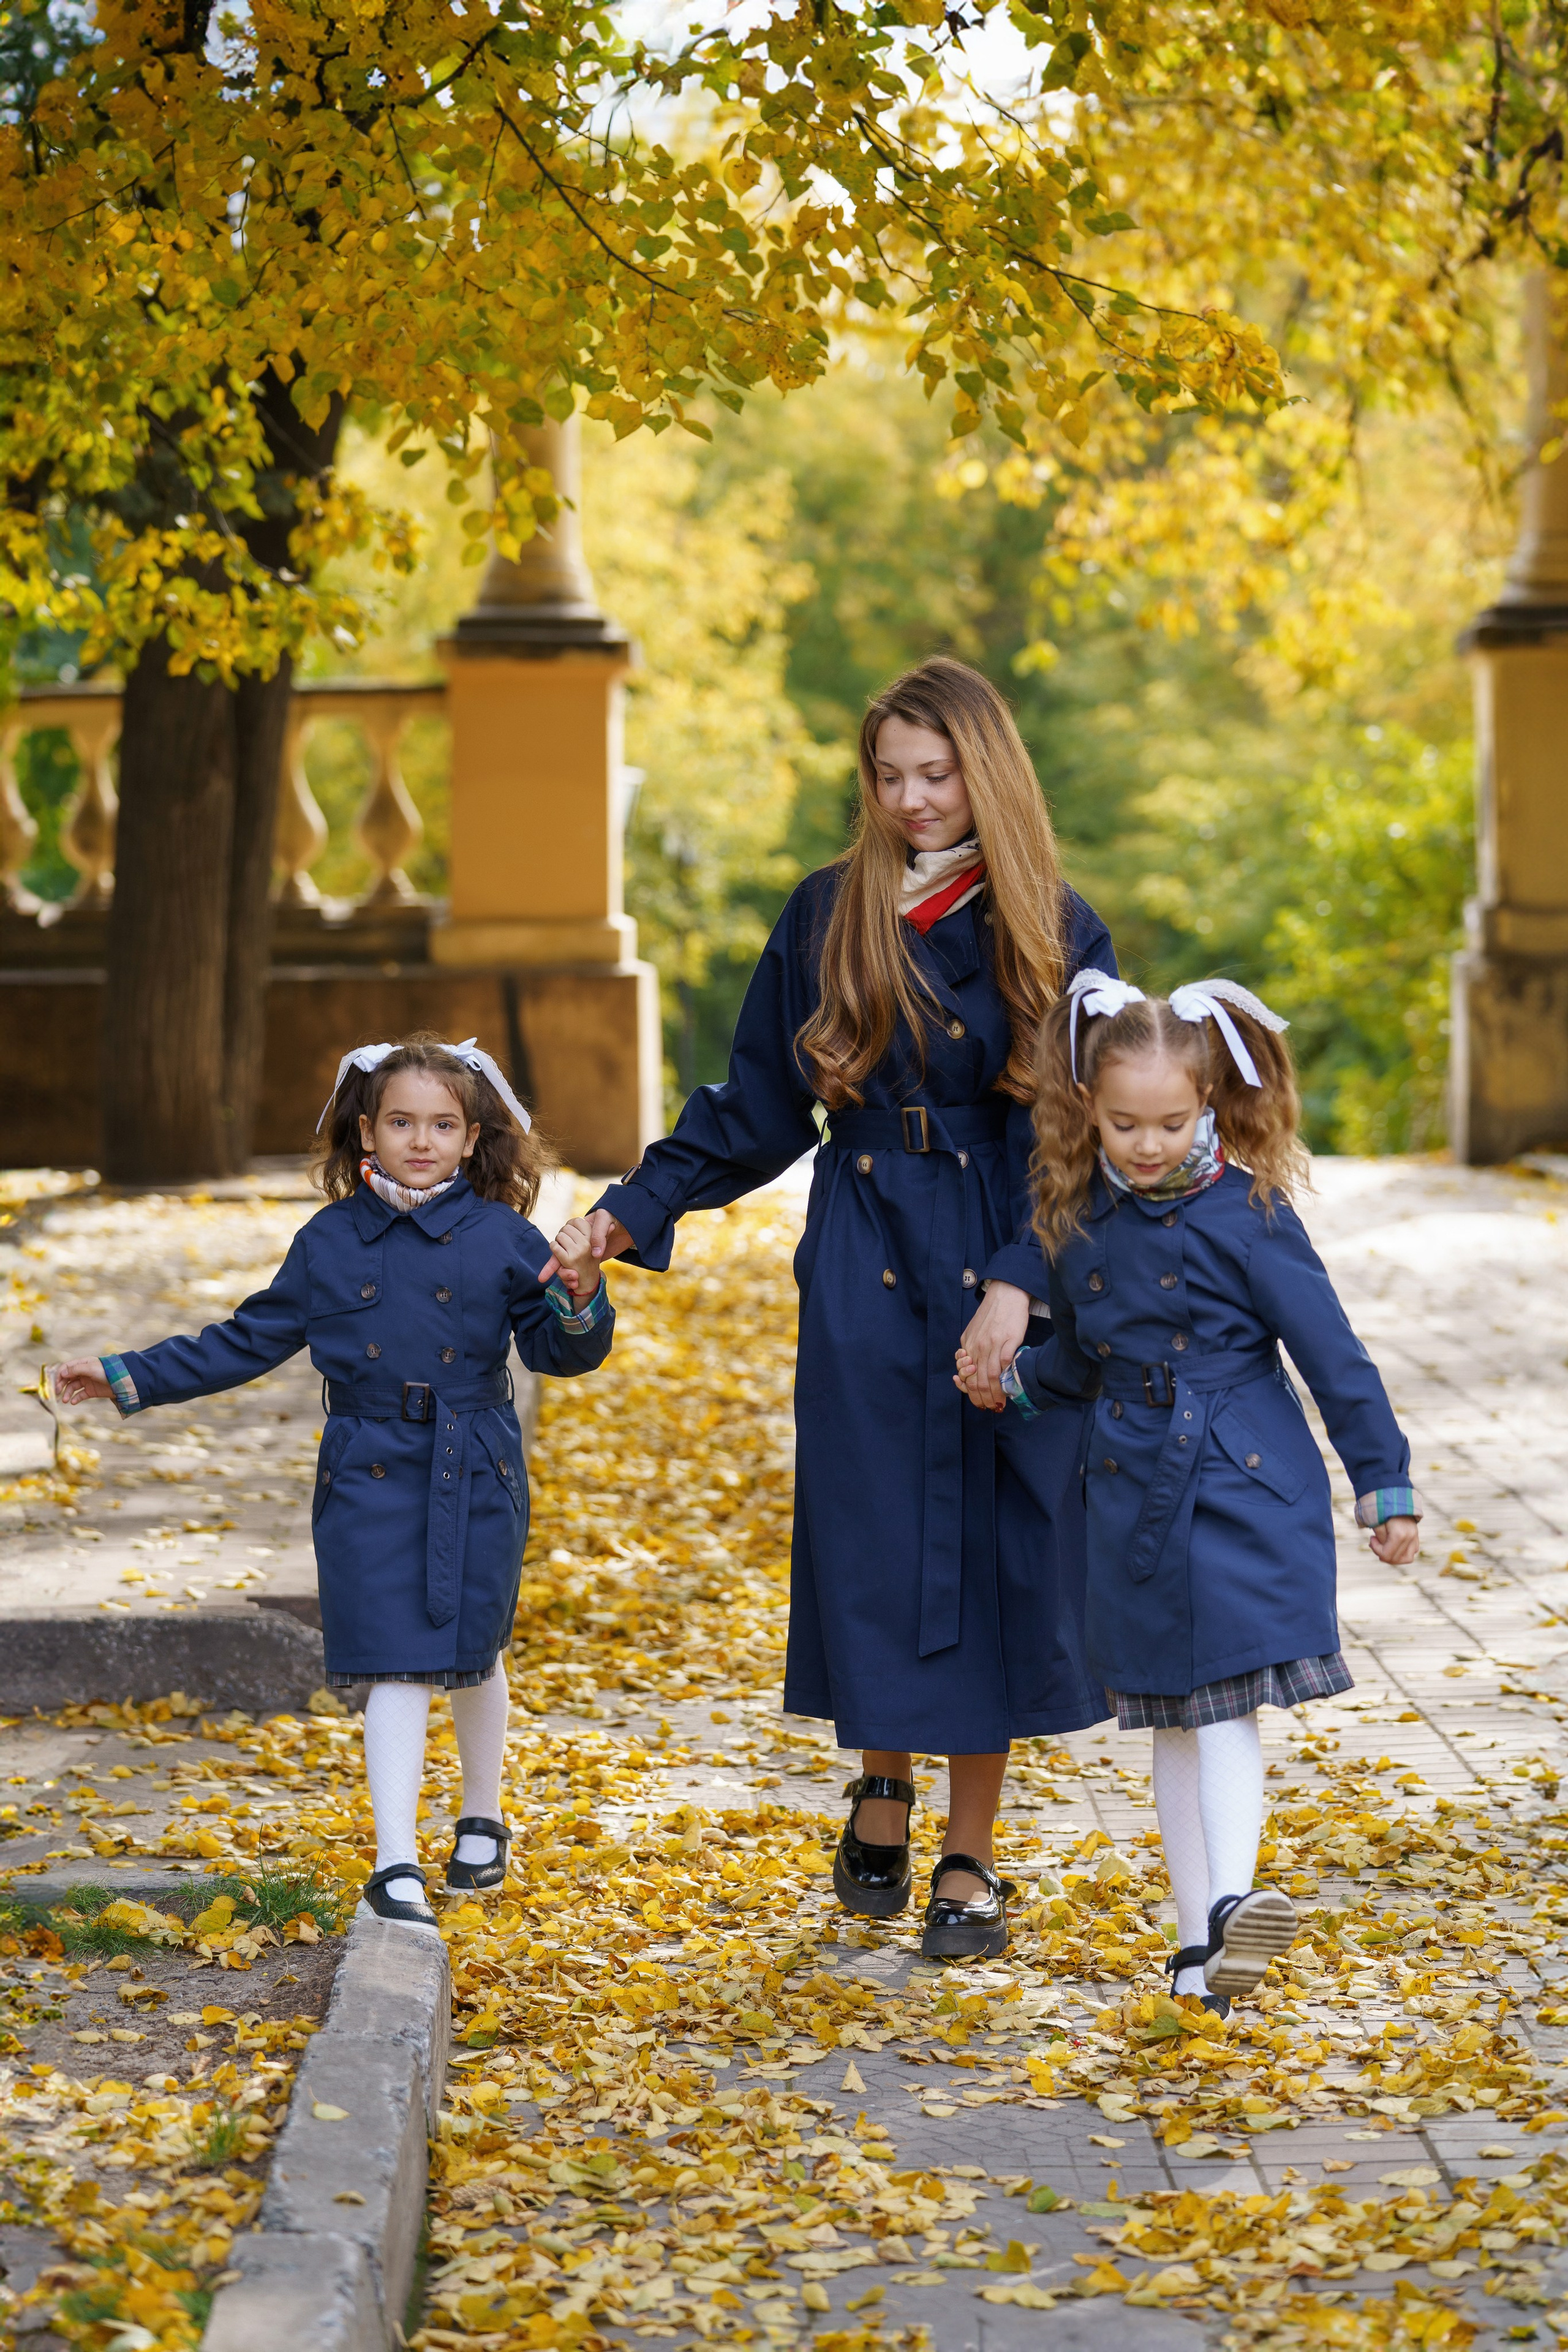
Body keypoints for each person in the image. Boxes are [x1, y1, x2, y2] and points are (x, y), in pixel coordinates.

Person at [549, 657, 1117, 1960]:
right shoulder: (825, 913)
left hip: (998, 1239)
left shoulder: (1050, 922)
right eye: (889, 776)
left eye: (937, 773)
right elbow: (753, 1106)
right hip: (860, 1237)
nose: (913, 799)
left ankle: (969, 1856)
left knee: (993, 1540)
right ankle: (880, 1779)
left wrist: (1018, 1287)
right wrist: (626, 1211)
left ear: (987, 771)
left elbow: (1072, 1134)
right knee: (867, 1520)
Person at [51, 1035, 614, 1929]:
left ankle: (483, 1813)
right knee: (395, 1655)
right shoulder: (329, 1241)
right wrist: (126, 1375)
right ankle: (395, 1863)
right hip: (367, 1467)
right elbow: (242, 1340)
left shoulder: (506, 1238)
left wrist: (578, 1294)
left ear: (473, 1140)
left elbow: (560, 1351)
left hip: (476, 1462)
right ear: (365, 1131)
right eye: (401, 1121)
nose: (421, 1139)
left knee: (473, 1647)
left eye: (442, 1124)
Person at [957, 971, 1420, 2010]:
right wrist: (1015, 1387)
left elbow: (1331, 1355)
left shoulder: (1250, 1211)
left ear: (1210, 1103)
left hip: (1243, 1478)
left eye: (1172, 1121)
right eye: (1125, 1123)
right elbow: (1077, 1358)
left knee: (1224, 1705)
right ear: (1090, 1111)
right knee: (1169, 1713)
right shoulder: (1076, 1218)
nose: (1150, 1144)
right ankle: (1193, 1941)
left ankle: (1230, 1907)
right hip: (1128, 1489)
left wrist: (1383, 1481)